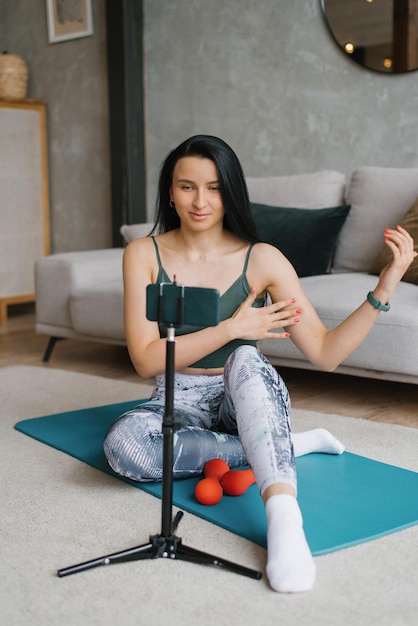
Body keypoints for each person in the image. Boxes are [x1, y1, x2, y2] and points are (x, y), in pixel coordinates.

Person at [104, 135, 416, 593]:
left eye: (213, 188)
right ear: (169, 192)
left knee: (246, 357)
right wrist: (230, 328)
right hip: (178, 398)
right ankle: (282, 443)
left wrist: (385, 287)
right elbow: (146, 359)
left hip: (243, 391)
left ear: (230, 192)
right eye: (187, 186)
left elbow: (326, 353)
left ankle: (285, 521)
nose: (200, 200)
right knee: (124, 445)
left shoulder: (263, 258)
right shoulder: (143, 254)